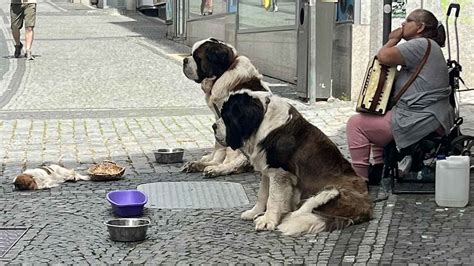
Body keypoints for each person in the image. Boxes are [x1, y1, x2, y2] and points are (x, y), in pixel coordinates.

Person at [346, 9, 454, 185]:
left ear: (420, 27)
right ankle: (379, 167)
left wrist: (393, 39)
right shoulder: (428, 45)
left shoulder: (420, 44)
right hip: (429, 114)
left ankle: (360, 180)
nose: (403, 24)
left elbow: (383, 56)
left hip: (419, 117)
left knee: (355, 124)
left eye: (408, 21)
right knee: (374, 116)